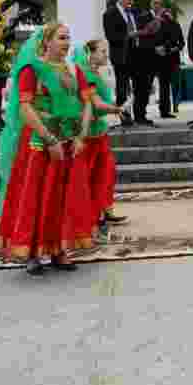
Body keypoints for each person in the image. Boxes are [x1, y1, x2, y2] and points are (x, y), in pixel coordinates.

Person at [0, 23, 94, 275]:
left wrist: (82, 136)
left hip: (69, 140)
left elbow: (87, 104)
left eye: (69, 38)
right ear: (46, 41)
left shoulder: (74, 69)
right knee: (36, 194)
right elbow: (25, 108)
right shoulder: (33, 69)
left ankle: (58, 250)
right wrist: (49, 140)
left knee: (62, 195)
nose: (66, 42)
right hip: (40, 142)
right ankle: (30, 252)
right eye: (61, 38)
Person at [70, 40, 129, 237]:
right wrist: (117, 109)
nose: (106, 55)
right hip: (89, 134)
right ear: (90, 53)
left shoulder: (96, 73)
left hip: (100, 132)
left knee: (106, 172)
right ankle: (93, 216)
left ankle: (104, 210)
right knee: (93, 174)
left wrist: (113, 108)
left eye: (106, 51)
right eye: (103, 52)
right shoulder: (87, 74)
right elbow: (96, 104)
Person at [103, 0, 139, 126]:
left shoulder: (133, 13)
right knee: (122, 86)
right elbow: (111, 36)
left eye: (132, 0)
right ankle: (123, 115)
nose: (131, 3)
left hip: (135, 54)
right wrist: (128, 36)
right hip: (121, 55)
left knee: (137, 86)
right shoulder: (110, 14)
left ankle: (139, 114)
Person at [151, 0, 185, 119]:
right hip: (153, 57)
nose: (157, 6)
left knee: (168, 85)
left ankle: (167, 110)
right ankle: (142, 113)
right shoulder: (147, 19)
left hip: (170, 58)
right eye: (155, 3)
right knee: (157, 85)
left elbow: (180, 42)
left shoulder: (171, 21)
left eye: (159, 4)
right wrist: (155, 48)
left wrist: (167, 49)